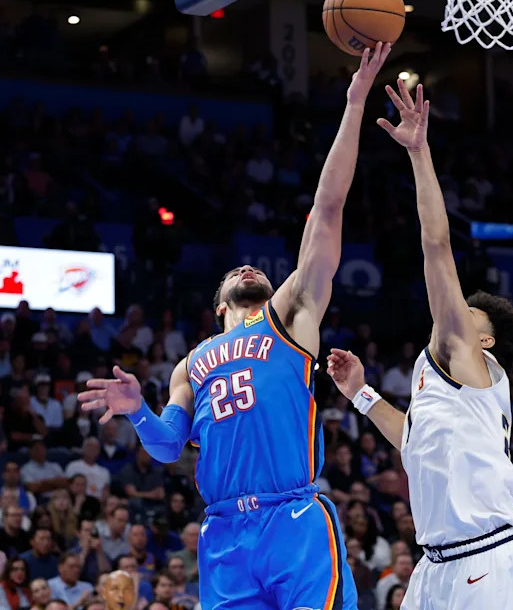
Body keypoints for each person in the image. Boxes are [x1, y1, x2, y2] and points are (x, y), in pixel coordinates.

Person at [78, 43, 393, 610]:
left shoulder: (290, 318)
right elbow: (170, 445)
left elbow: (326, 208)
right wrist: (137, 411)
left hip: (291, 518)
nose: (250, 270)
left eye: (259, 273)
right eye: (235, 273)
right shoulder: (189, 363)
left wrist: (352, 103)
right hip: (223, 534)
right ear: (217, 305)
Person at [326, 82, 513, 609]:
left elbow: (437, 245)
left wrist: (419, 153)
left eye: (469, 312)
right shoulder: (440, 373)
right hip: (435, 562)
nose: (455, 311)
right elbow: (415, 438)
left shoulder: (470, 357)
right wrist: (361, 394)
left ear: (484, 339)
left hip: (484, 556)